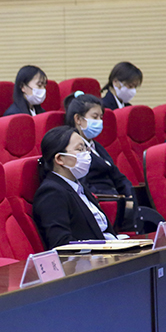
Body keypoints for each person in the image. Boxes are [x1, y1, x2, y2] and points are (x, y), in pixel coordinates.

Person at [33, 126, 117, 249]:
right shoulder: (52, 192)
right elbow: (62, 245)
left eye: (86, 149)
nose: (87, 154)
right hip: (92, 258)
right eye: (80, 149)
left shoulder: (77, 186)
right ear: (59, 159)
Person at [64, 92, 135, 230]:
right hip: (102, 205)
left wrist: (130, 195)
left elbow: (117, 176)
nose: (99, 122)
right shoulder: (73, 149)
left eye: (101, 117)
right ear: (78, 119)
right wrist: (116, 199)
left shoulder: (96, 146)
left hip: (116, 201)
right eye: (95, 117)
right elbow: (82, 184)